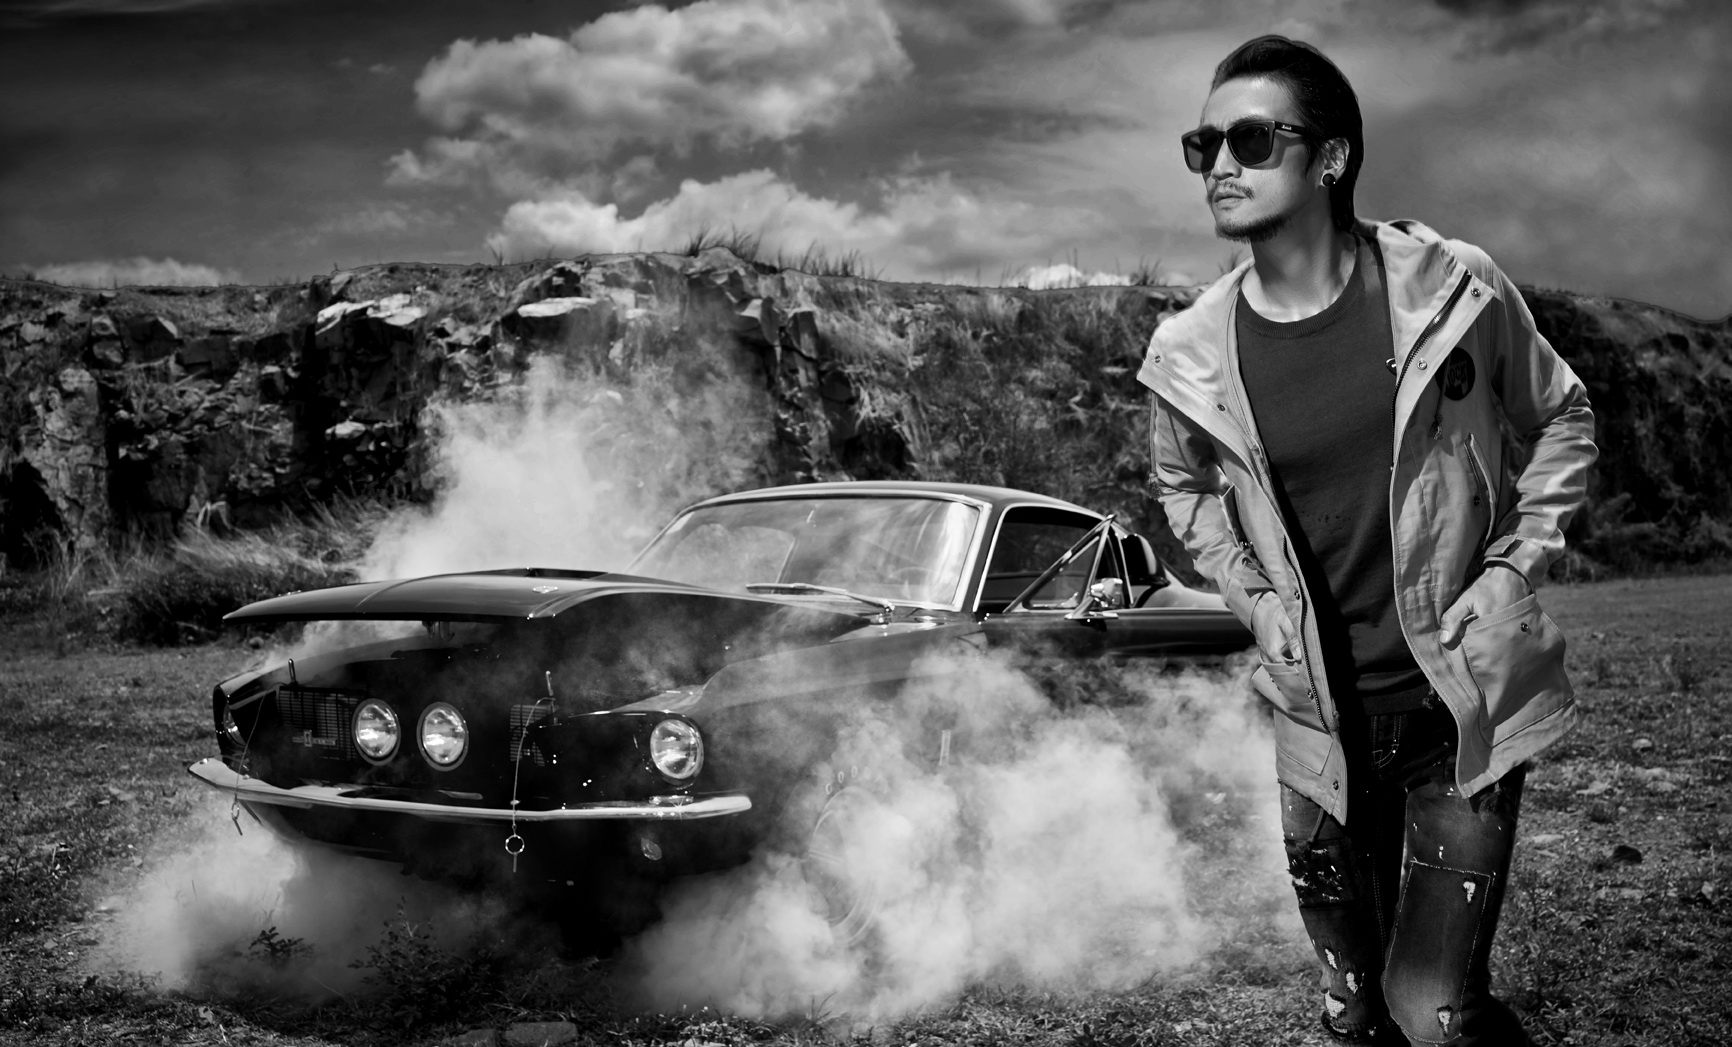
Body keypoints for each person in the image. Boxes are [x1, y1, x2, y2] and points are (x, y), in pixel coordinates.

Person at [1137, 35, 1596, 1046]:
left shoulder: (1453, 286)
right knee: (1353, 1014)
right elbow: (1183, 489)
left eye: (1251, 140)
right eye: (1203, 145)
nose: (1219, 164)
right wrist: (1252, 597)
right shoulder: (1188, 351)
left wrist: (1514, 561)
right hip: (1316, 723)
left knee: (1430, 1011)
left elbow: (1561, 415)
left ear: (1331, 158)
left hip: (1455, 706)